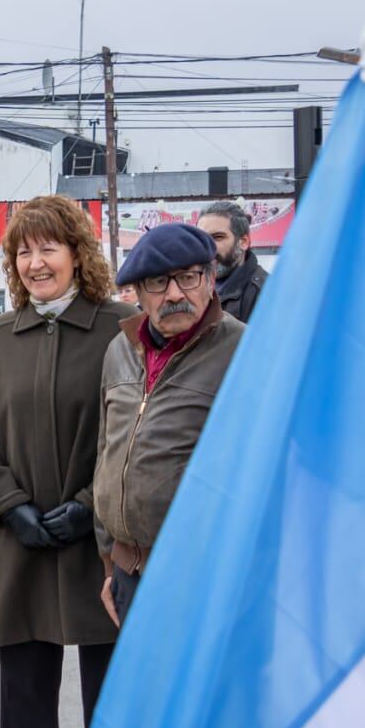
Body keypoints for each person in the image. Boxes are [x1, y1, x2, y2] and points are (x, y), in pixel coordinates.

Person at [0, 195, 132, 728]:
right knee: (25, 697)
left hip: (101, 544)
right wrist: (8, 504)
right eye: (23, 251)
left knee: (109, 694)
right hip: (19, 541)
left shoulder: (120, 329)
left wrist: (89, 505)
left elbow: (134, 432)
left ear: (78, 254)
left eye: (48, 247)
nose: (35, 263)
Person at [93, 224, 244, 630]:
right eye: (158, 282)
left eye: (189, 277)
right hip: (128, 573)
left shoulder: (245, 353)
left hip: (202, 579)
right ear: (139, 294)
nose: (175, 293)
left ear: (211, 281)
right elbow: (106, 454)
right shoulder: (120, 350)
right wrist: (110, 562)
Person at [196, 200, 268, 323]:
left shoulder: (267, 294)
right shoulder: (191, 286)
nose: (207, 246)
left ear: (244, 242)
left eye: (218, 237)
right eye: (201, 238)